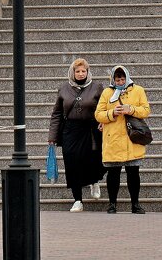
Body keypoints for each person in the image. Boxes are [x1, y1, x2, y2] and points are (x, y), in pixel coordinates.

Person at [47, 58, 105, 212]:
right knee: (72, 162)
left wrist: (104, 122)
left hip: (91, 127)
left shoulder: (97, 87)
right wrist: (52, 136)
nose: (80, 74)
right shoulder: (64, 88)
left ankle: (94, 181)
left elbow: (105, 107)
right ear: (73, 72)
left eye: (83, 71)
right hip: (70, 130)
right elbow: (57, 113)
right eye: (77, 71)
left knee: (92, 158)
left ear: (88, 71)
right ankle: (77, 199)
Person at [94, 65, 151, 214]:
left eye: (122, 78)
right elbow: (98, 114)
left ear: (127, 77)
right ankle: (112, 204)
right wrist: (112, 112)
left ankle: (135, 204)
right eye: (117, 79)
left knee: (133, 173)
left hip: (132, 139)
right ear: (113, 79)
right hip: (113, 139)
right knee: (113, 173)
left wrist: (130, 109)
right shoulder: (107, 92)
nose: (120, 81)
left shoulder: (138, 90)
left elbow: (146, 110)